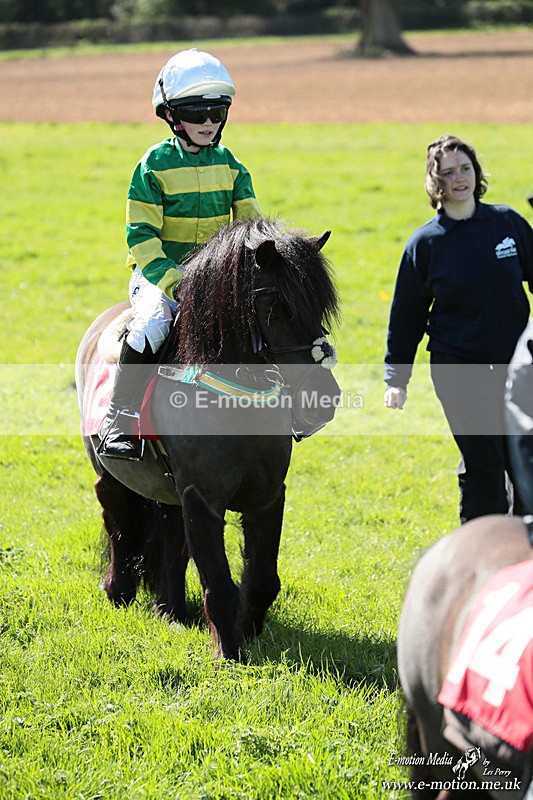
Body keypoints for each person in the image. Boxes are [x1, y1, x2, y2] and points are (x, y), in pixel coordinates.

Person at [98, 48, 261, 460]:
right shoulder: (152, 166)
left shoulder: (233, 166)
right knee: (153, 322)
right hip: (159, 277)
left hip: (216, 280)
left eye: (217, 112)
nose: (208, 123)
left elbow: (251, 227)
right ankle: (120, 419)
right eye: (196, 113)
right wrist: (175, 281)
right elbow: (141, 236)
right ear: (172, 115)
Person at [384, 134, 533, 523]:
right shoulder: (426, 244)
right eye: (448, 173)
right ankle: (482, 555)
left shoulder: (508, 224)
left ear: (476, 172)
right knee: (484, 464)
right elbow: (406, 316)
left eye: (465, 168)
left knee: (523, 458)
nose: (460, 178)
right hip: (458, 370)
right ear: (436, 184)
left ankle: (524, 554)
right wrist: (396, 379)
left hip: (517, 366)